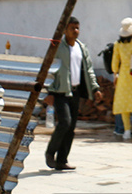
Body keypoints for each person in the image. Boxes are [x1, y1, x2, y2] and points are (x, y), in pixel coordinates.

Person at [44, 17, 102, 171]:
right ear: (65, 30)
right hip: (59, 91)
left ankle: (62, 160)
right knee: (65, 122)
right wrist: (48, 91)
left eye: (77, 28)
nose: (75, 31)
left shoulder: (82, 48)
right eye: (72, 28)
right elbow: (48, 69)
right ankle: (50, 153)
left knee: (71, 127)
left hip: (75, 91)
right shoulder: (57, 47)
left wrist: (95, 88)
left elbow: (89, 69)